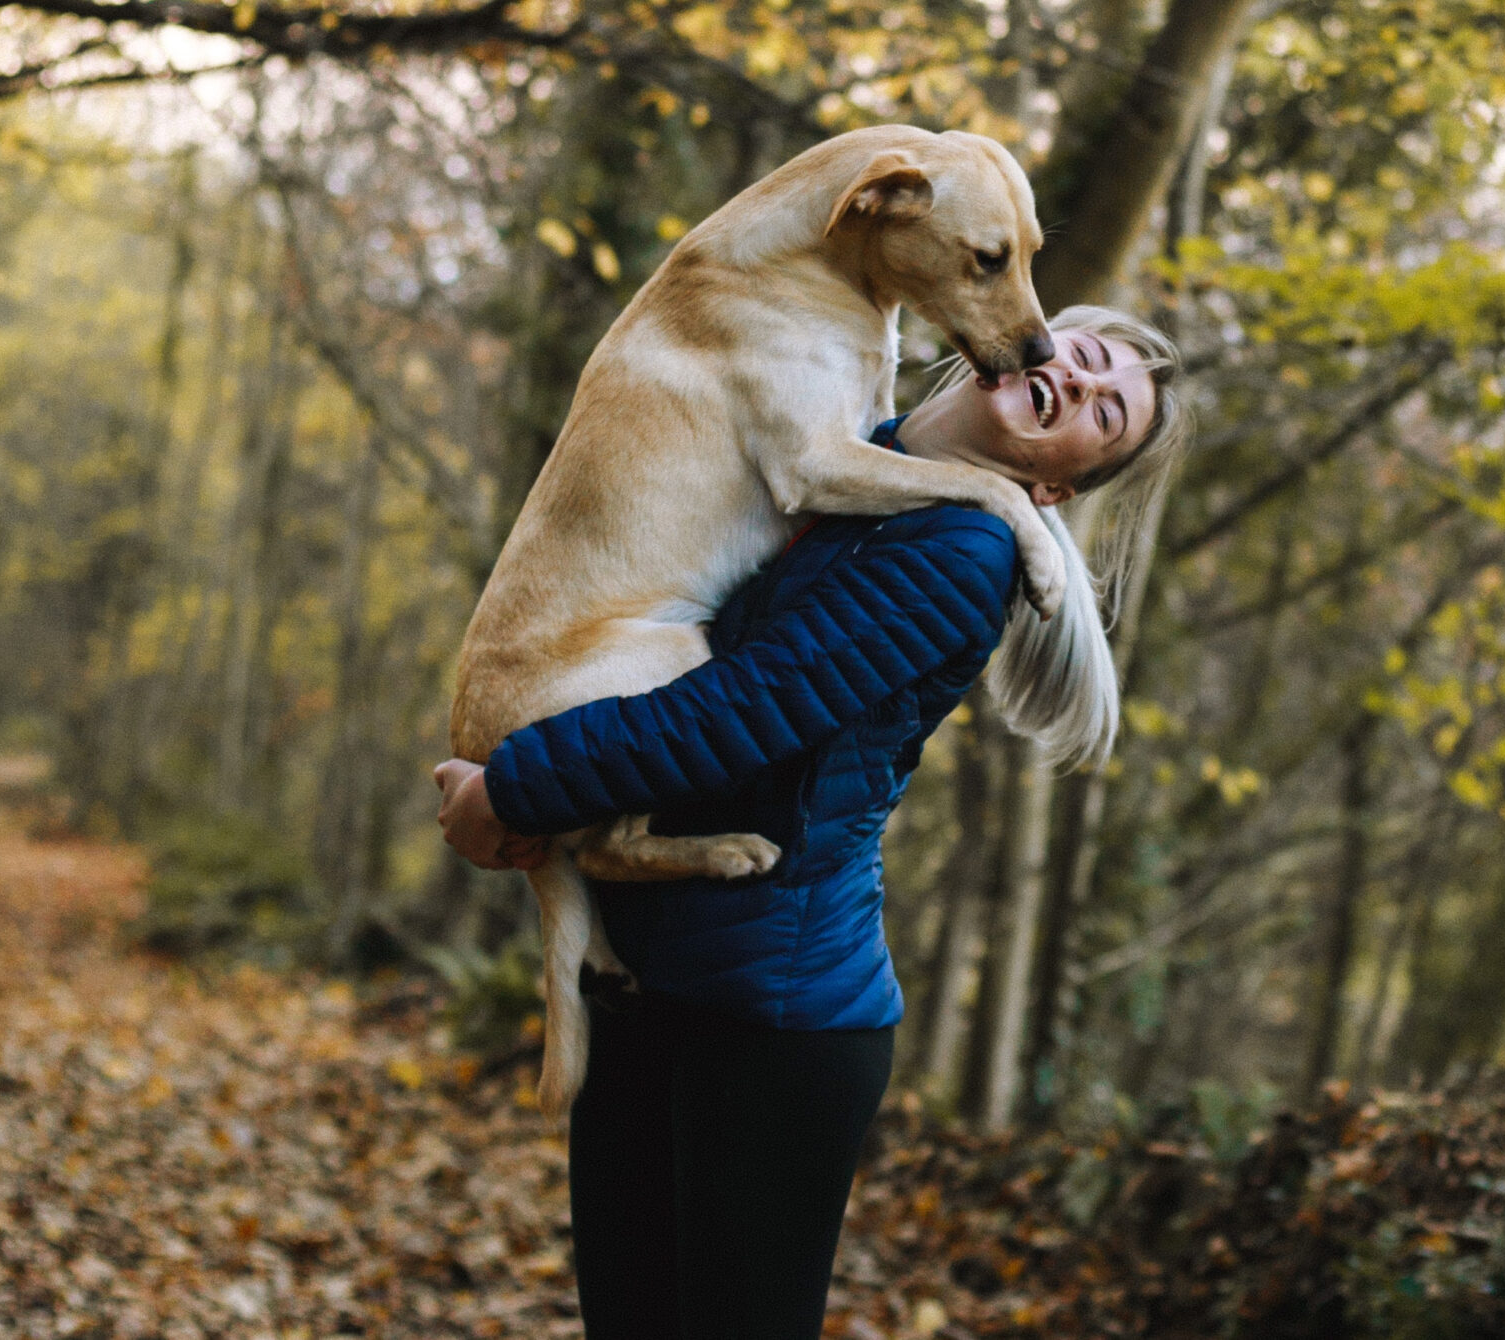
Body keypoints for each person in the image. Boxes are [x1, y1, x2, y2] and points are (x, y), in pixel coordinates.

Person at [430, 305, 1188, 1340]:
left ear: (1049, 487)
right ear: (1019, 341)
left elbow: (740, 712)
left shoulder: (961, 548)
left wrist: (513, 790)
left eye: (1105, 417)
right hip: (646, 984)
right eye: (1087, 359)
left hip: (776, 1024)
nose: (1085, 387)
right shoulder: (838, 465)